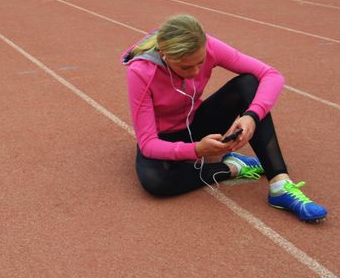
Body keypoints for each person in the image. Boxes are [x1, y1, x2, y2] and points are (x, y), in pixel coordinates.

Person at [123, 14, 327, 223]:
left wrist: (252, 116)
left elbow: (271, 75)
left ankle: (280, 185)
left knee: (248, 83)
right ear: (165, 55)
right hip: (164, 136)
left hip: (195, 123)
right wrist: (196, 150)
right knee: (155, 183)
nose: (194, 72)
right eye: (185, 67)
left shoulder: (209, 45)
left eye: (200, 63)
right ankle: (234, 167)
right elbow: (148, 144)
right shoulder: (141, 72)